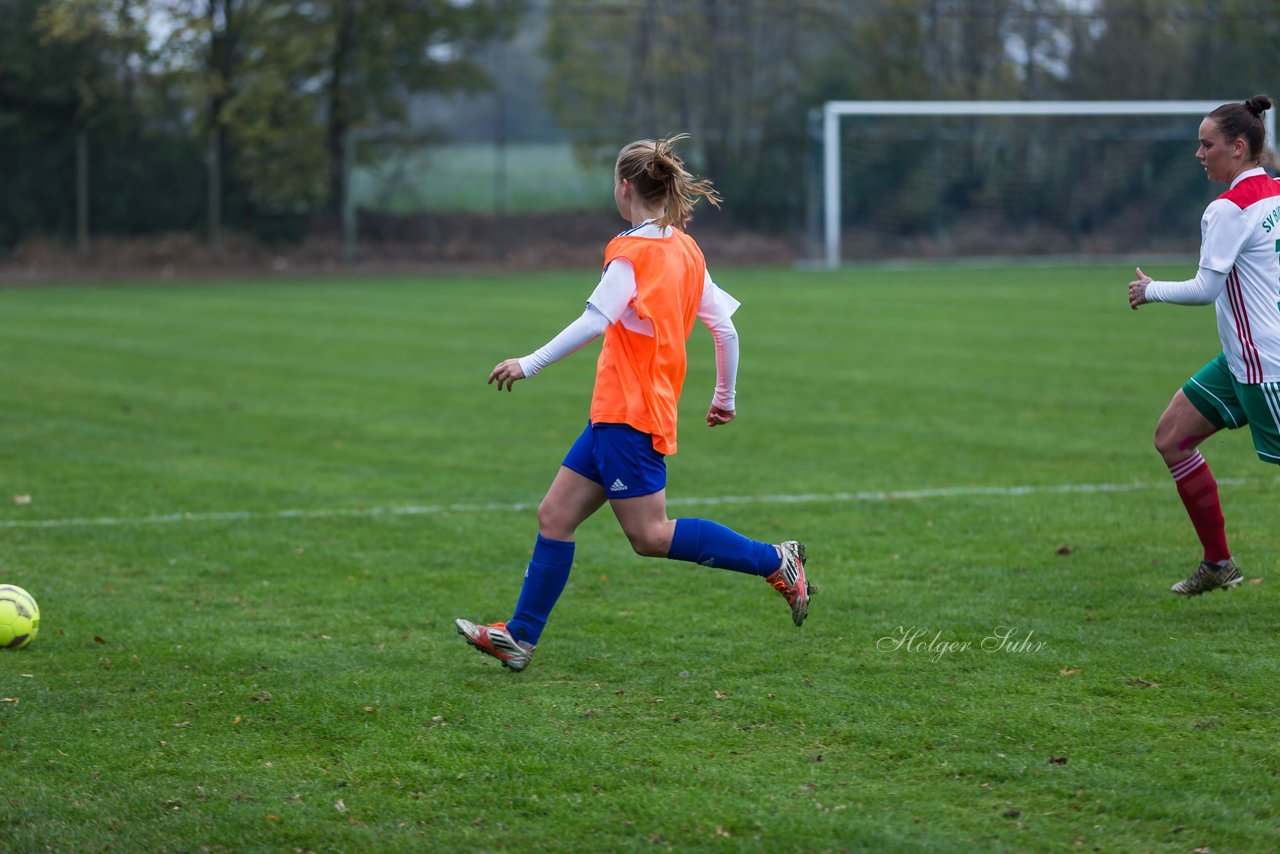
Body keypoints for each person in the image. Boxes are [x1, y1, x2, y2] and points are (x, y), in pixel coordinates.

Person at [455, 134, 812, 671]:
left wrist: (528, 363)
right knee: (554, 515)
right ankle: (519, 637)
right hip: (614, 415)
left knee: (649, 535)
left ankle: (775, 560)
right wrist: (725, 396)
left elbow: (595, 321)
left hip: (631, 414)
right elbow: (726, 330)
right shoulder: (687, 249)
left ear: (624, 186)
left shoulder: (631, 252)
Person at [1128, 94, 1280, 596]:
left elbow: (1206, 288)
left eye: (1206, 144)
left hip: (1267, 366)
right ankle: (1219, 564)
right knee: (1171, 437)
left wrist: (1151, 290)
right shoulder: (1275, 191)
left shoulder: (1228, 209)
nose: (1199, 153)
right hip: (1240, 361)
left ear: (1237, 148)